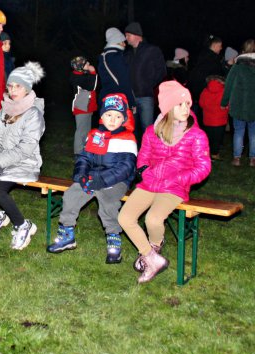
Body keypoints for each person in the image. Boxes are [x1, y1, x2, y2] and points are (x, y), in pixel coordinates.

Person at [118, 81, 211, 283]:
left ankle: (153, 247)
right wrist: (145, 172)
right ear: (168, 108)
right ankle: (151, 258)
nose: (186, 108)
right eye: (180, 104)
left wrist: (180, 178)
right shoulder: (152, 131)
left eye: (188, 103)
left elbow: (203, 167)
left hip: (174, 187)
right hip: (150, 183)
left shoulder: (196, 135)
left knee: (153, 219)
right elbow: (142, 158)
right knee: (125, 217)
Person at [47, 93, 137, 263]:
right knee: (72, 194)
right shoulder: (95, 135)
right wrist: (80, 176)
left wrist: (102, 180)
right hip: (92, 176)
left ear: (124, 119)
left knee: (108, 199)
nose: (112, 120)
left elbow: (126, 168)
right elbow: (84, 158)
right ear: (102, 116)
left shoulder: (127, 138)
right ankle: (67, 233)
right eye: (109, 115)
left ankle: (113, 240)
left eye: (118, 116)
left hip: (116, 181)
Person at [0, 62, 45, 250]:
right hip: (3, 162)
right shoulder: (5, 109)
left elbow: (26, 148)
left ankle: (23, 225)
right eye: (10, 86)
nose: (13, 90)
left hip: (25, 163)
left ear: (28, 88)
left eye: (18, 86)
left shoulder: (33, 114)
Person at [124, 22, 166, 147]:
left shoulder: (152, 50)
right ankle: (135, 154)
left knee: (148, 128)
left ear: (137, 35)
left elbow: (161, 71)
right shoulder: (128, 54)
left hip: (146, 96)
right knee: (132, 128)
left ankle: (150, 153)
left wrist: (148, 85)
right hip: (131, 97)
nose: (126, 38)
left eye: (128, 35)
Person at [221, 39, 255, 167]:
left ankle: (237, 158)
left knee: (239, 131)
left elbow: (228, 85)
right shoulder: (237, 66)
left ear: (243, 50)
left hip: (238, 105)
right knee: (253, 133)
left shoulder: (237, 66)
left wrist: (224, 102)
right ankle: (253, 158)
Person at [98, 28, 135, 111]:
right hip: (118, 100)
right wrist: (131, 102)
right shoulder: (116, 57)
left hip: (106, 98)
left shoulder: (103, 56)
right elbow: (124, 81)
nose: (125, 45)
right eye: (123, 42)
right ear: (116, 42)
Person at [70, 56, 98, 154]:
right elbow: (92, 86)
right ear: (80, 66)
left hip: (87, 107)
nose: (89, 63)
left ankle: (85, 150)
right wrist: (93, 72)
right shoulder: (78, 78)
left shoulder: (81, 74)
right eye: (86, 63)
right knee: (81, 131)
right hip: (82, 108)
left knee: (86, 131)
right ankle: (78, 152)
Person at [189, 35, 225, 107]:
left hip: (195, 92)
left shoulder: (201, 55)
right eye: (220, 46)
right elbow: (219, 77)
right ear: (214, 45)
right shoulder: (214, 60)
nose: (221, 48)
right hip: (206, 93)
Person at [199, 75, 228, 160]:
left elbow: (201, 103)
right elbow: (227, 104)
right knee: (217, 138)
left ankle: (207, 153)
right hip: (220, 120)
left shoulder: (205, 91)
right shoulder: (224, 91)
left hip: (207, 119)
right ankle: (215, 154)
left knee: (209, 137)